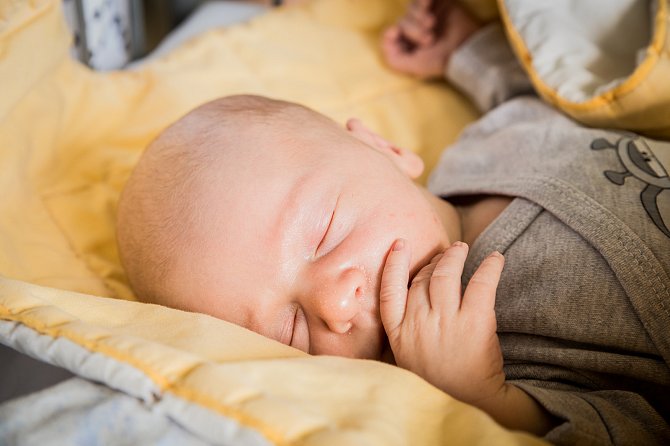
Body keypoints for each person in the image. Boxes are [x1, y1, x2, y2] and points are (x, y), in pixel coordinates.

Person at [116, 0, 670, 443]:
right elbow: (636, 426)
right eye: (291, 330)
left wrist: (466, 50)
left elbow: (544, 99)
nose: (334, 306)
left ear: (386, 149)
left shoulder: (482, 147)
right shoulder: (495, 351)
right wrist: (486, 401)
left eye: (326, 229)